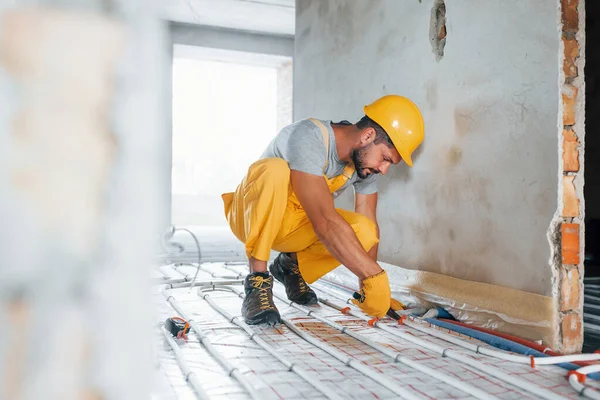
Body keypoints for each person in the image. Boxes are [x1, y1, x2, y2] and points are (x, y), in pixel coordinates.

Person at [221, 95, 425, 325]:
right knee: (275, 170)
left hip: (290, 227)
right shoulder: (309, 137)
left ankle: (290, 265)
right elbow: (324, 221)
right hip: (250, 220)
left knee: (365, 230)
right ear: (368, 136)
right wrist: (375, 277)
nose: (384, 169)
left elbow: (368, 221)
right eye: (385, 159)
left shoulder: (363, 166)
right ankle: (257, 283)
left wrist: (368, 288)